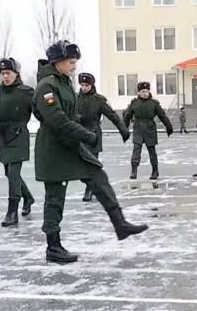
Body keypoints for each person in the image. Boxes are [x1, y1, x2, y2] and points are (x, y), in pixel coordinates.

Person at [33, 40, 148, 263]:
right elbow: (56, 119)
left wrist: (80, 126)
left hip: (71, 144)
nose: (74, 66)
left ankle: (120, 224)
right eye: (71, 62)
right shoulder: (46, 85)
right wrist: (86, 134)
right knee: (55, 197)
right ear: (58, 62)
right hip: (54, 147)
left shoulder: (63, 82)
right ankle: (53, 246)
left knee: (97, 175)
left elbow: (67, 113)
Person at [0, 58, 35, 227]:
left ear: (16, 73)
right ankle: (28, 197)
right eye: (3, 73)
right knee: (9, 172)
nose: (5, 77)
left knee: (13, 172)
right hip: (2, 136)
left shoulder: (26, 92)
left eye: (8, 73)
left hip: (19, 135)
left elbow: (40, 109)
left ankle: (12, 211)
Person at [77, 72, 131, 201]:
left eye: (87, 85)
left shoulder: (99, 100)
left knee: (92, 164)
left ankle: (89, 190)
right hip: (79, 132)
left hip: (93, 134)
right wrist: (78, 118)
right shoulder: (75, 98)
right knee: (80, 164)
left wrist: (123, 130)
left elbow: (112, 115)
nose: (84, 87)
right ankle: (91, 186)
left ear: (92, 85)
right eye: (82, 85)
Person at [123, 82, 173, 180]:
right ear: (139, 92)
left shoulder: (154, 103)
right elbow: (127, 116)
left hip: (150, 128)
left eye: (146, 91)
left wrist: (168, 126)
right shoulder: (134, 103)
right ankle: (134, 170)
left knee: (152, 151)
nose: (145, 93)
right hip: (138, 128)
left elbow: (162, 116)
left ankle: (155, 171)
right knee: (136, 149)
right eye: (142, 91)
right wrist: (124, 129)